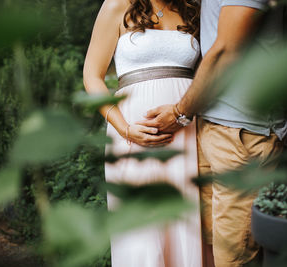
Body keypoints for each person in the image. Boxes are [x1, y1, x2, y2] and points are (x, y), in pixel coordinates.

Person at [138, 0, 287, 266]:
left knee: (232, 258)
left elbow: (225, 52)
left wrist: (178, 113)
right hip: (210, 126)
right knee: (208, 251)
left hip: (240, 133)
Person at [83, 0, 202, 266]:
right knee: (142, 232)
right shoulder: (117, 5)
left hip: (188, 133)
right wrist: (124, 128)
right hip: (133, 134)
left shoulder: (191, 9)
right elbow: (92, 76)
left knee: (186, 223)